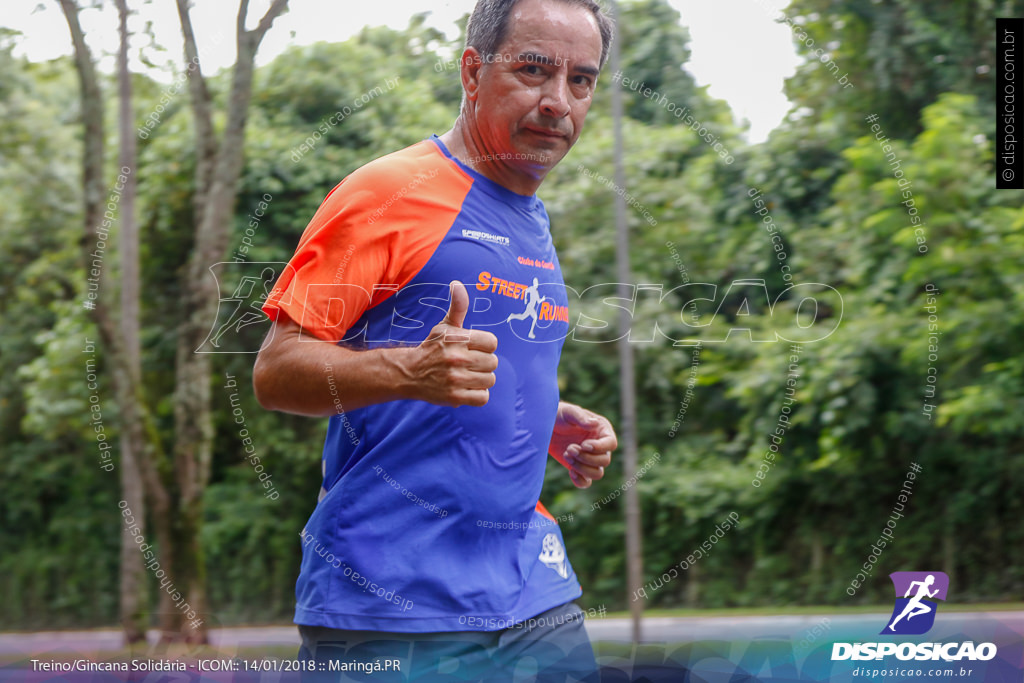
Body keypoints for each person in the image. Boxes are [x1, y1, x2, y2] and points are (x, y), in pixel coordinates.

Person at [254, 0, 616, 679]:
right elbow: (276, 371)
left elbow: (474, 376)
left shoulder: (529, 215)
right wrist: (404, 372)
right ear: (472, 72)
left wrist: (544, 423)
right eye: (534, 70)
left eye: (581, 80)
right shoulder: (390, 191)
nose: (558, 102)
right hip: (391, 601)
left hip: (532, 587)